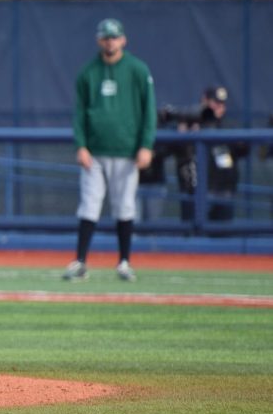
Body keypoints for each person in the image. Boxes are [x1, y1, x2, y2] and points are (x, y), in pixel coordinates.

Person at [63, 18, 156, 282]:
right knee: (89, 205)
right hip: (95, 152)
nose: (110, 42)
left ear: (123, 40)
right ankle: (80, 261)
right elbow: (79, 113)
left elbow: (149, 110)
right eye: (106, 37)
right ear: (98, 40)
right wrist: (80, 145)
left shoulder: (138, 70)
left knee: (125, 206)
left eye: (114, 37)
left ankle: (124, 262)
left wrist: (145, 145)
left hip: (126, 151)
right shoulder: (88, 72)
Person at [173, 86, 247, 222]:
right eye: (215, 102)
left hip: (225, 191)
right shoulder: (190, 122)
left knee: (223, 236)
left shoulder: (227, 127)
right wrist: (186, 133)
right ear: (204, 100)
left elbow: (242, 151)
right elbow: (176, 151)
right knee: (194, 236)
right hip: (198, 192)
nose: (220, 107)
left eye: (222, 103)